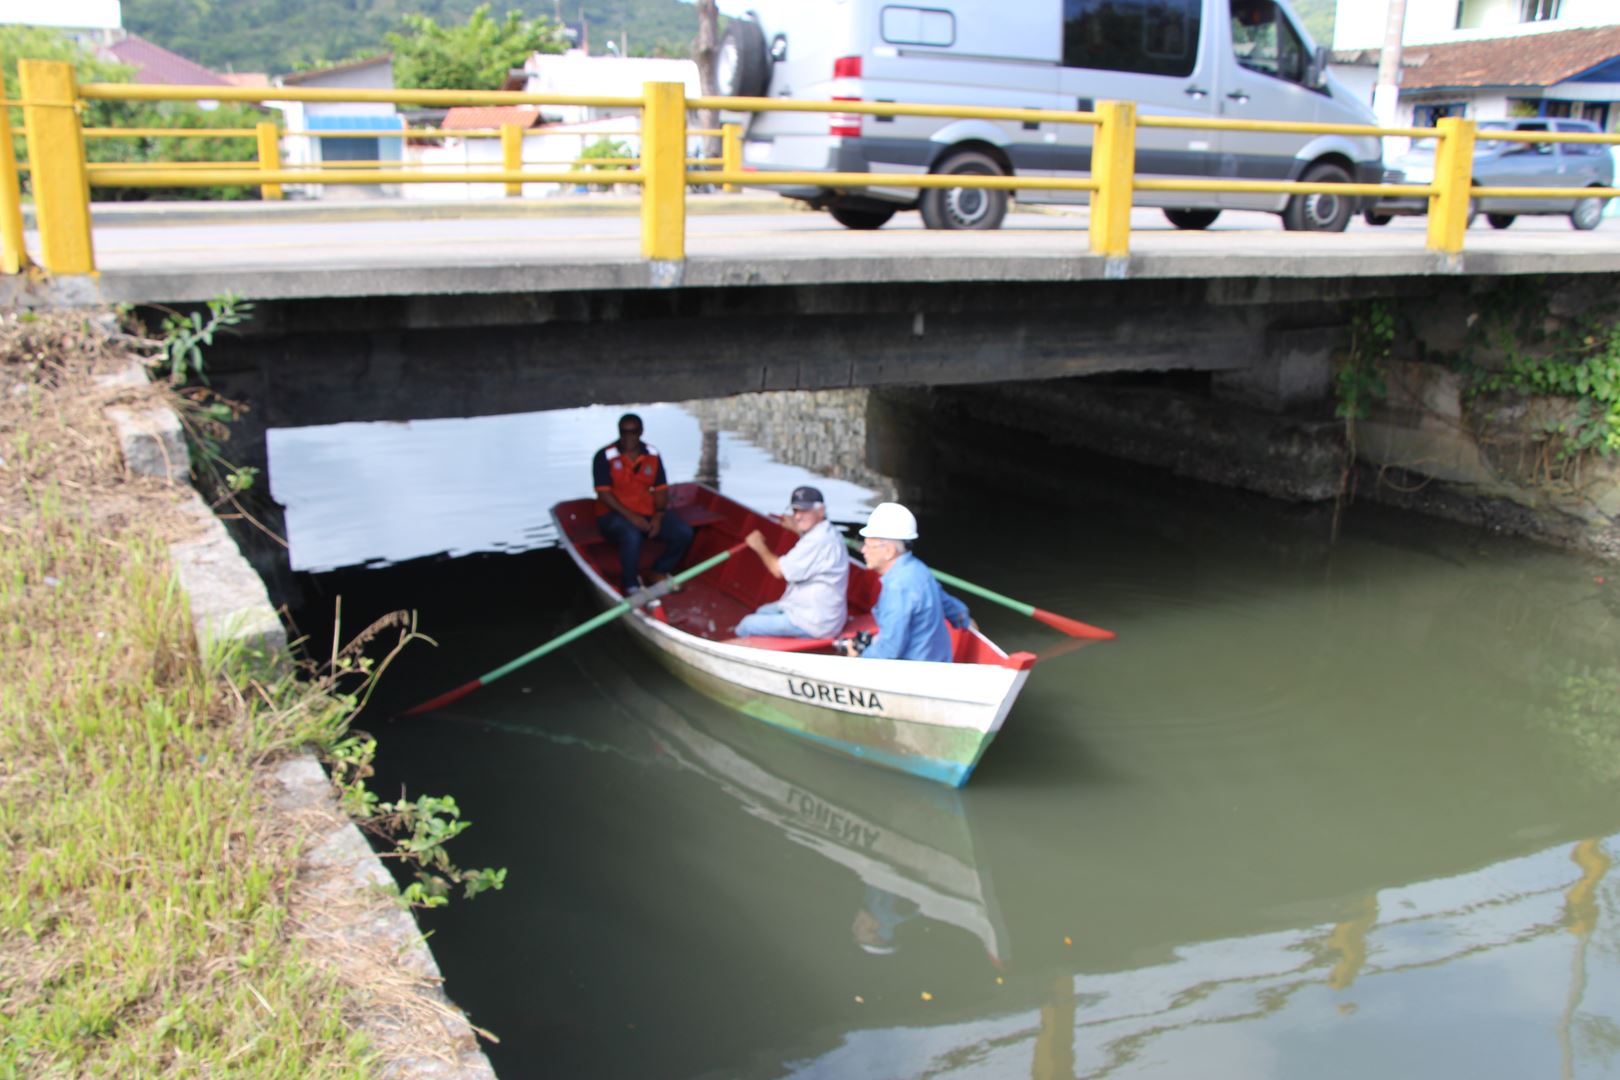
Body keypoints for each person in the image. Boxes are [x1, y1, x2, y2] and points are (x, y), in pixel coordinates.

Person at [845, 501, 970, 662]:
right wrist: (963, 619)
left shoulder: (897, 587)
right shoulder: (919, 569)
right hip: (940, 662)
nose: (863, 550)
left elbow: (889, 650)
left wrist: (859, 657)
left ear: (889, 551)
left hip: (915, 674)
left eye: (869, 545)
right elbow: (953, 608)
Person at [592, 412, 694, 595]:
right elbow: (604, 494)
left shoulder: (652, 454)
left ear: (641, 432)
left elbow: (661, 488)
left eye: (633, 432)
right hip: (613, 514)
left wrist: (659, 516)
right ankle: (631, 585)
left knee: (683, 533)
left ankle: (657, 571)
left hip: (646, 510)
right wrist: (633, 517)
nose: (628, 437)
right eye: (624, 432)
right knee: (631, 535)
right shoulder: (604, 456)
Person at [736, 485, 849, 639]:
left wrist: (758, 546)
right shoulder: (827, 531)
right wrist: (798, 529)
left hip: (814, 622)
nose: (797, 517)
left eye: (804, 511)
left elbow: (778, 570)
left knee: (747, 625)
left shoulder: (817, 540)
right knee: (763, 611)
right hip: (822, 614)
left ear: (821, 511)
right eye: (795, 511)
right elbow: (811, 548)